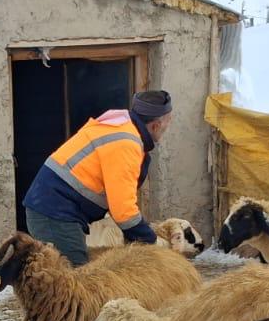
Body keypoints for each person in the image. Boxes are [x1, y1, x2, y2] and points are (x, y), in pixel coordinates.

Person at [21, 90, 173, 265]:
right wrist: (153, 242)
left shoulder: (121, 125)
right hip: (54, 214)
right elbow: (124, 212)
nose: (169, 125)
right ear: (155, 125)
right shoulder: (126, 144)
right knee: (75, 281)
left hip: (52, 209)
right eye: (169, 121)